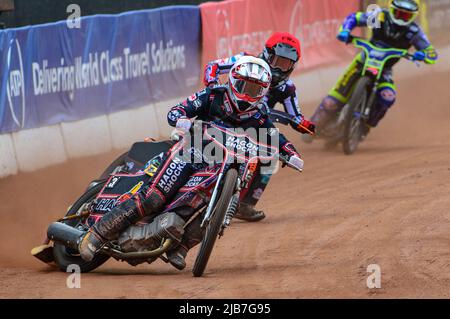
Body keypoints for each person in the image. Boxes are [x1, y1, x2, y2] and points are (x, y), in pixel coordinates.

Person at [78, 56, 305, 270]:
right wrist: (182, 119)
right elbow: (177, 110)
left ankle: (182, 247)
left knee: (209, 206)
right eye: (244, 86)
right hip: (190, 152)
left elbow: (276, 138)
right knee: (153, 197)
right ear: (234, 81)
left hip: (218, 167)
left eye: (254, 89)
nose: (247, 94)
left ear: (263, 92)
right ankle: (97, 234)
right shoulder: (213, 95)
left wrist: (290, 153)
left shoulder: (259, 116)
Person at [203, 32, 315, 222]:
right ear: (266, 54)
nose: (280, 67)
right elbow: (213, 66)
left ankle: (246, 203)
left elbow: (295, 116)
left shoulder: (287, 88)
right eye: (277, 60)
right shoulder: (245, 60)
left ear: (293, 65)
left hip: (254, 125)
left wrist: (305, 125)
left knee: (270, 154)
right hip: (225, 112)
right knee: (197, 130)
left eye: (286, 64)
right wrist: (212, 84)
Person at [309, 0, 437, 139]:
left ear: (412, 16)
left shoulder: (413, 31)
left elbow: (431, 52)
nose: (400, 18)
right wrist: (345, 30)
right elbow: (355, 18)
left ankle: (365, 127)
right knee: (332, 102)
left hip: (384, 70)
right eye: (399, 13)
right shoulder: (380, 17)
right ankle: (310, 127)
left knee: (388, 97)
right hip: (362, 62)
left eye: (405, 16)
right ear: (392, 10)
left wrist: (423, 54)